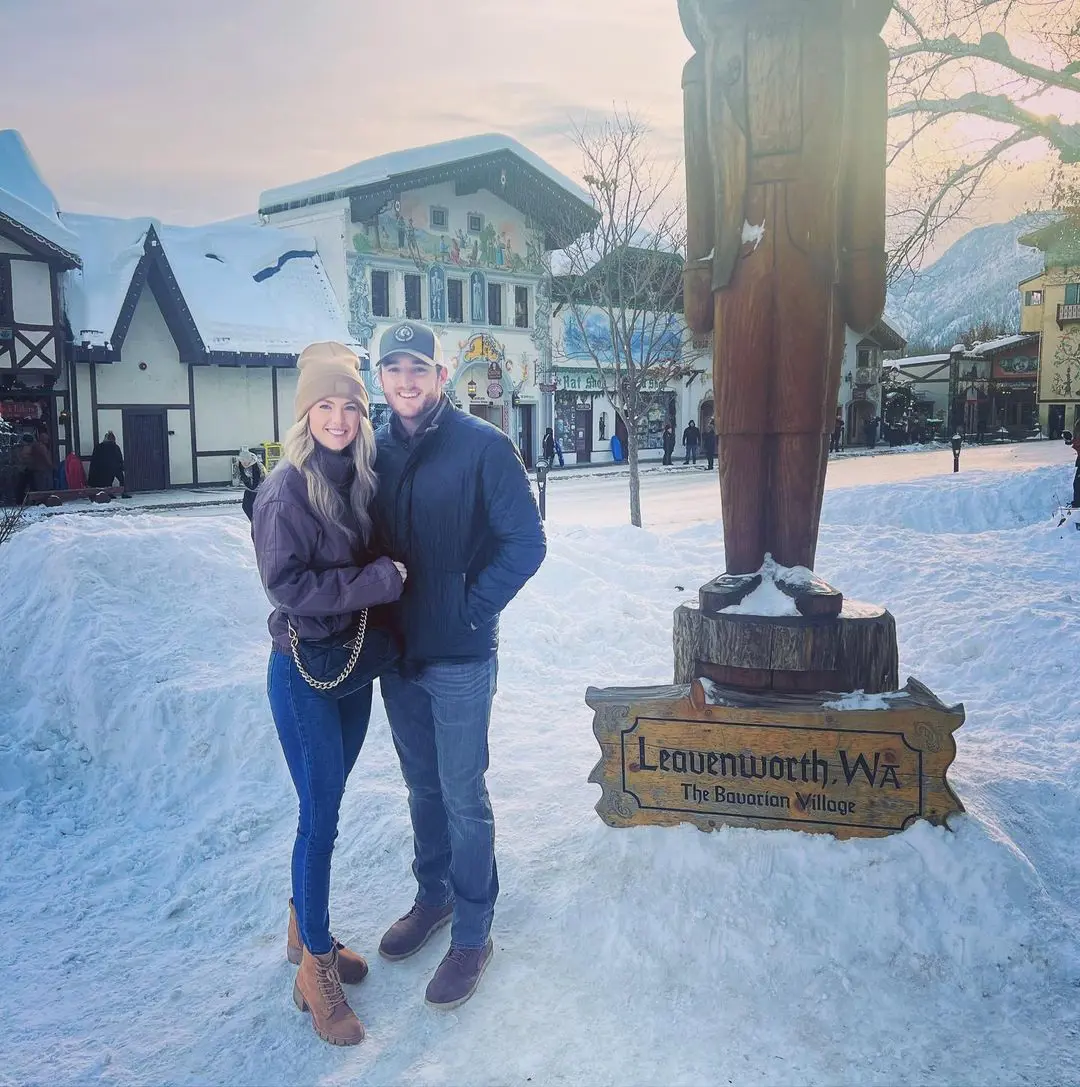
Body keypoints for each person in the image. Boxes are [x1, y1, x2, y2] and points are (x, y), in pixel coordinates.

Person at [372, 320, 546, 1010]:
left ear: (442, 377)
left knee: (462, 792)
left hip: (461, 655)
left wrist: (471, 607)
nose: (408, 380)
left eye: (420, 368)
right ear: (379, 379)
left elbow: (526, 543)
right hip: (396, 652)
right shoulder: (371, 449)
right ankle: (434, 896)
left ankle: (473, 929)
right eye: (395, 369)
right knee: (421, 787)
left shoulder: (484, 447)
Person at [251, 341, 407, 1047]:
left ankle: (301, 929)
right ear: (304, 413)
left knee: (329, 804)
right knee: (321, 818)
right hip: (304, 673)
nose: (339, 418)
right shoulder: (285, 489)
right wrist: (376, 583)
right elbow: (288, 587)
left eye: (350, 405)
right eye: (326, 405)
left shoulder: (361, 477)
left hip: (350, 669)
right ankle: (315, 970)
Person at [236, 447, 265, 522]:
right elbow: (240, 474)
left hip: (258, 491)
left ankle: (257, 523)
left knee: (256, 509)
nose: (245, 464)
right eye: (243, 462)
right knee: (245, 507)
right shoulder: (240, 463)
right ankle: (254, 522)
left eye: (246, 462)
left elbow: (258, 481)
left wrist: (248, 482)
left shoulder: (258, 466)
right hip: (248, 489)